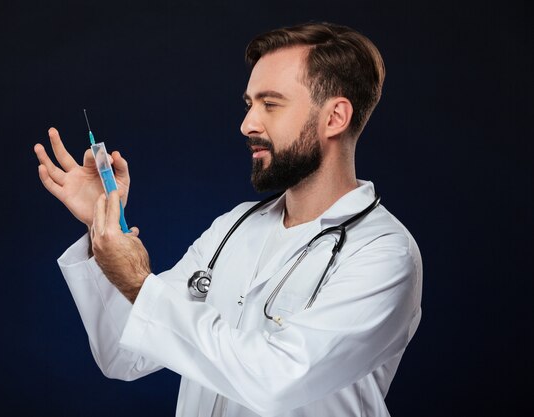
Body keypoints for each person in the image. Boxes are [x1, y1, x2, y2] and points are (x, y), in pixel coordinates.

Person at [34, 22, 422, 417]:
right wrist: (107, 224)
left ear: (335, 117)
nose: (247, 124)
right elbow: (124, 355)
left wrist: (139, 281)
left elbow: (277, 381)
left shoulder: (383, 253)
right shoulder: (233, 228)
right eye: (249, 104)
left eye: (270, 104)